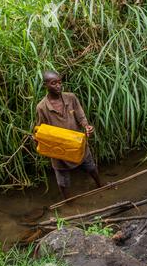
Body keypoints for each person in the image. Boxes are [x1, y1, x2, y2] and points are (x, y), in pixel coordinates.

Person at [35, 70, 103, 199]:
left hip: (77, 142)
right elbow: (41, 128)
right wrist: (38, 138)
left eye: (60, 82)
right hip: (59, 148)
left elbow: (80, 115)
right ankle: (68, 203)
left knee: (91, 167)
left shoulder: (70, 98)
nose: (58, 86)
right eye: (53, 83)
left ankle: (101, 186)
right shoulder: (42, 107)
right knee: (63, 181)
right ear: (45, 85)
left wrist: (87, 126)